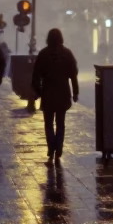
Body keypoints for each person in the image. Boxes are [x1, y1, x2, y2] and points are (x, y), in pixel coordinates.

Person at [31, 28, 79, 163]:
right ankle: (59, 148)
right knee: (60, 122)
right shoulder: (67, 54)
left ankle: (51, 147)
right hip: (63, 92)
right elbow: (73, 75)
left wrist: (38, 91)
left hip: (48, 92)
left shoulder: (43, 54)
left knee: (48, 123)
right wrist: (75, 92)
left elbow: (36, 76)